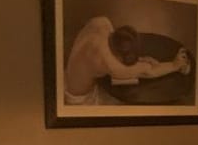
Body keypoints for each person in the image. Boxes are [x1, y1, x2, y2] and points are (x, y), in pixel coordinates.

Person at [63, 17, 191, 105]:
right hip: (78, 99)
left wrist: (140, 59)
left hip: (67, 76)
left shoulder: (102, 23)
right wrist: (175, 65)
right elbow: (149, 71)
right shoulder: (111, 65)